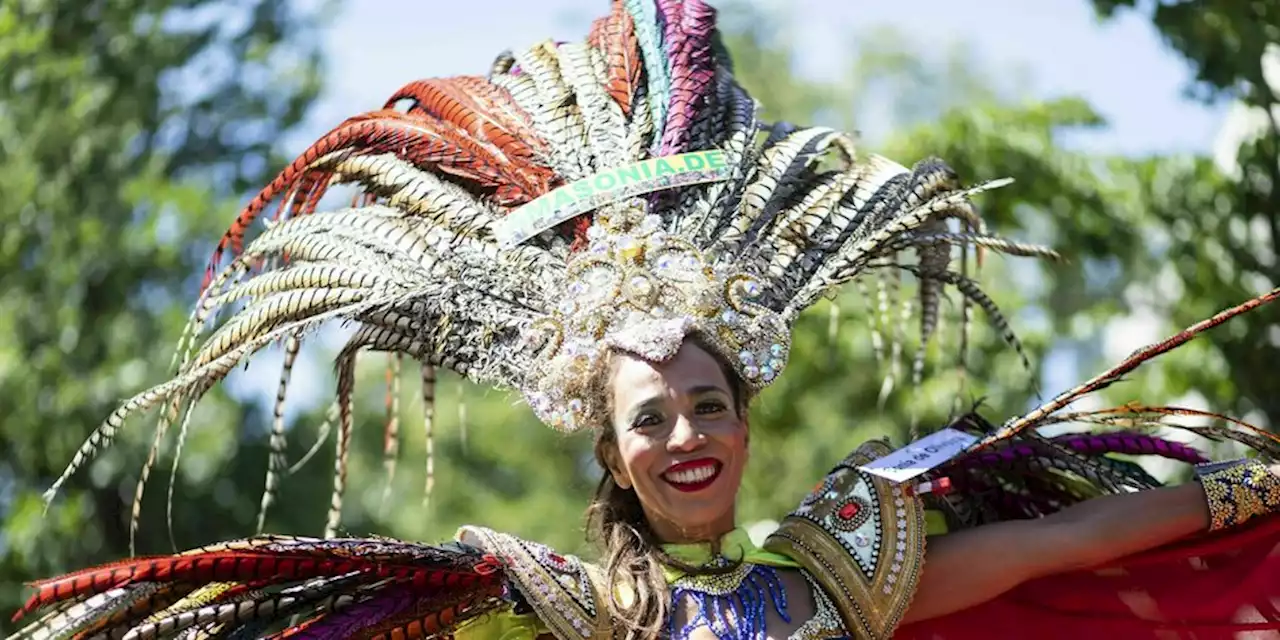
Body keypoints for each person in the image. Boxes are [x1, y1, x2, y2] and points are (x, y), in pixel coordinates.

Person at [11, 1, 1280, 638]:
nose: (685, 433)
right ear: (610, 449)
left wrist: (1250, 494)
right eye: (652, 416)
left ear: (745, 414)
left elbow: (1068, 544)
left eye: (705, 404)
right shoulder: (549, 609)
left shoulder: (834, 583)